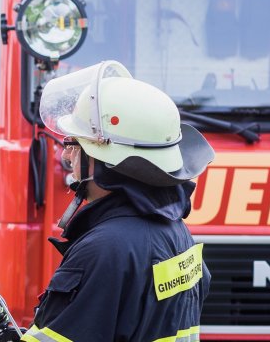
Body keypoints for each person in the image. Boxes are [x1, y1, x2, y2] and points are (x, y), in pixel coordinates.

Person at [23, 61, 214, 342]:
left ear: (105, 160)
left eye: (75, 144)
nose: (66, 157)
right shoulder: (174, 231)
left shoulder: (105, 249)